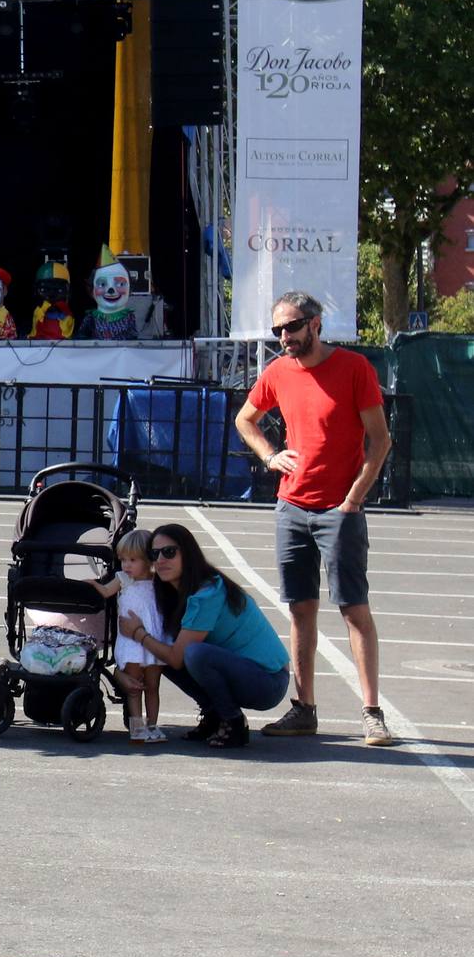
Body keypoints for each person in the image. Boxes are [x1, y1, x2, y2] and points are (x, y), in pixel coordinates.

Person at [233, 290, 394, 746]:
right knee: (300, 610)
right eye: (277, 329)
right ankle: (304, 710)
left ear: (315, 324)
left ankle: (372, 712)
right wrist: (270, 455)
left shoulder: (353, 369)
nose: (284, 336)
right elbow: (246, 419)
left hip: (338, 510)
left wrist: (353, 500)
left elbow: (380, 441)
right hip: (292, 506)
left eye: (291, 327)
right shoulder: (279, 371)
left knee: (353, 609)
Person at [120, 523, 291, 749]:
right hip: (240, 669)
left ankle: (233, 722)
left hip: (268, 681)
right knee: (164, 647)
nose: (160, 560)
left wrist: (138, 633)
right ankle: (214, 715)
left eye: (169, 552)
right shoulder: (169, 591)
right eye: (154, 554)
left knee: (192, 653)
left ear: (188, 554)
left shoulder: (207, 592)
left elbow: (176, 658)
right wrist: (120, 672)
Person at [90, 529, 166, 743]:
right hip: (131, 641)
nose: (126, 565)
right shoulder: (123, 579)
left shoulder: (157, 579)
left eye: (133, 560)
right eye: (123, 560)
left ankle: (152, 725)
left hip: (153, 639)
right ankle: (136, 727)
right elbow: (106, 592)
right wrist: (94, 584)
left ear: (148, 559)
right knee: (134, 688)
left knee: (153, 686)